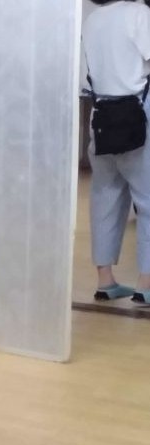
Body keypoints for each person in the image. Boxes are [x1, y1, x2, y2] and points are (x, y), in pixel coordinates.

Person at [82, 0, 150, 303]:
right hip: (138, 115)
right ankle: (146, 284)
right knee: (148, 201)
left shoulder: (92, 20)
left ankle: (105, 281)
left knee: (104, 196)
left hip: (101, 117)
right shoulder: (139, 14)